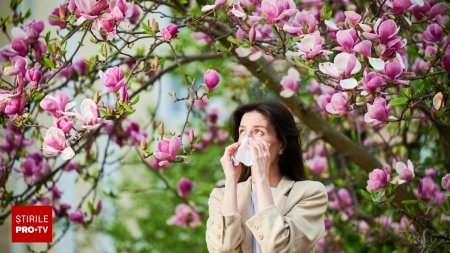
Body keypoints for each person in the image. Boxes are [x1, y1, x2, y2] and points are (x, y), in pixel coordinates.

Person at [206, 101, 328, 253]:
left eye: (258, 132)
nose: (246, 140)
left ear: (281, 144)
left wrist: (261, 178)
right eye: (242, 132)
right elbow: (223, 249)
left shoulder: (309, 193)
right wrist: (231, 179)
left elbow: (279, 248)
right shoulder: (221, 196)